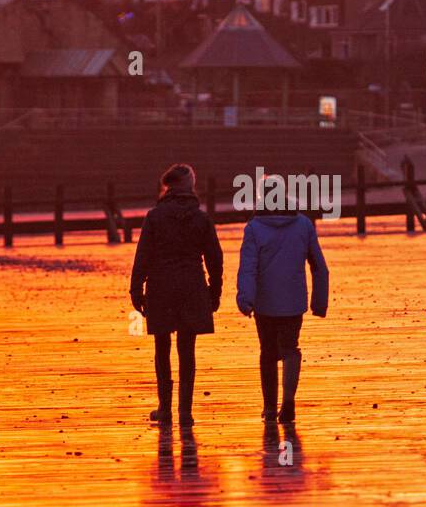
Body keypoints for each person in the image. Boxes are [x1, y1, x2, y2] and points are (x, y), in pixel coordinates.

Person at [130, 164, 222, 428]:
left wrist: (136, 289)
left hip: (161, 286)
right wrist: (214, 291)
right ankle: (185, 411)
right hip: (192, 285)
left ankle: (165, 408)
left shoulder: (155, 217)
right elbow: (214, 258)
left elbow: (143, 256)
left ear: (167, 187)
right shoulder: (201, 219)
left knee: (162, 349)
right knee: (187, 350)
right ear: (190, 187)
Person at [236, 202, 329, 424]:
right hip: (293, 301)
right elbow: (319, 267)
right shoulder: (303, 225)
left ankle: (269, 408)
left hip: (264, 302)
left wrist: (246, 299)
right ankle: (288, 401)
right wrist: (319, 302)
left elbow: (248, 267)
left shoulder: (254, 228)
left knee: (267, 352)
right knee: (290, 349)